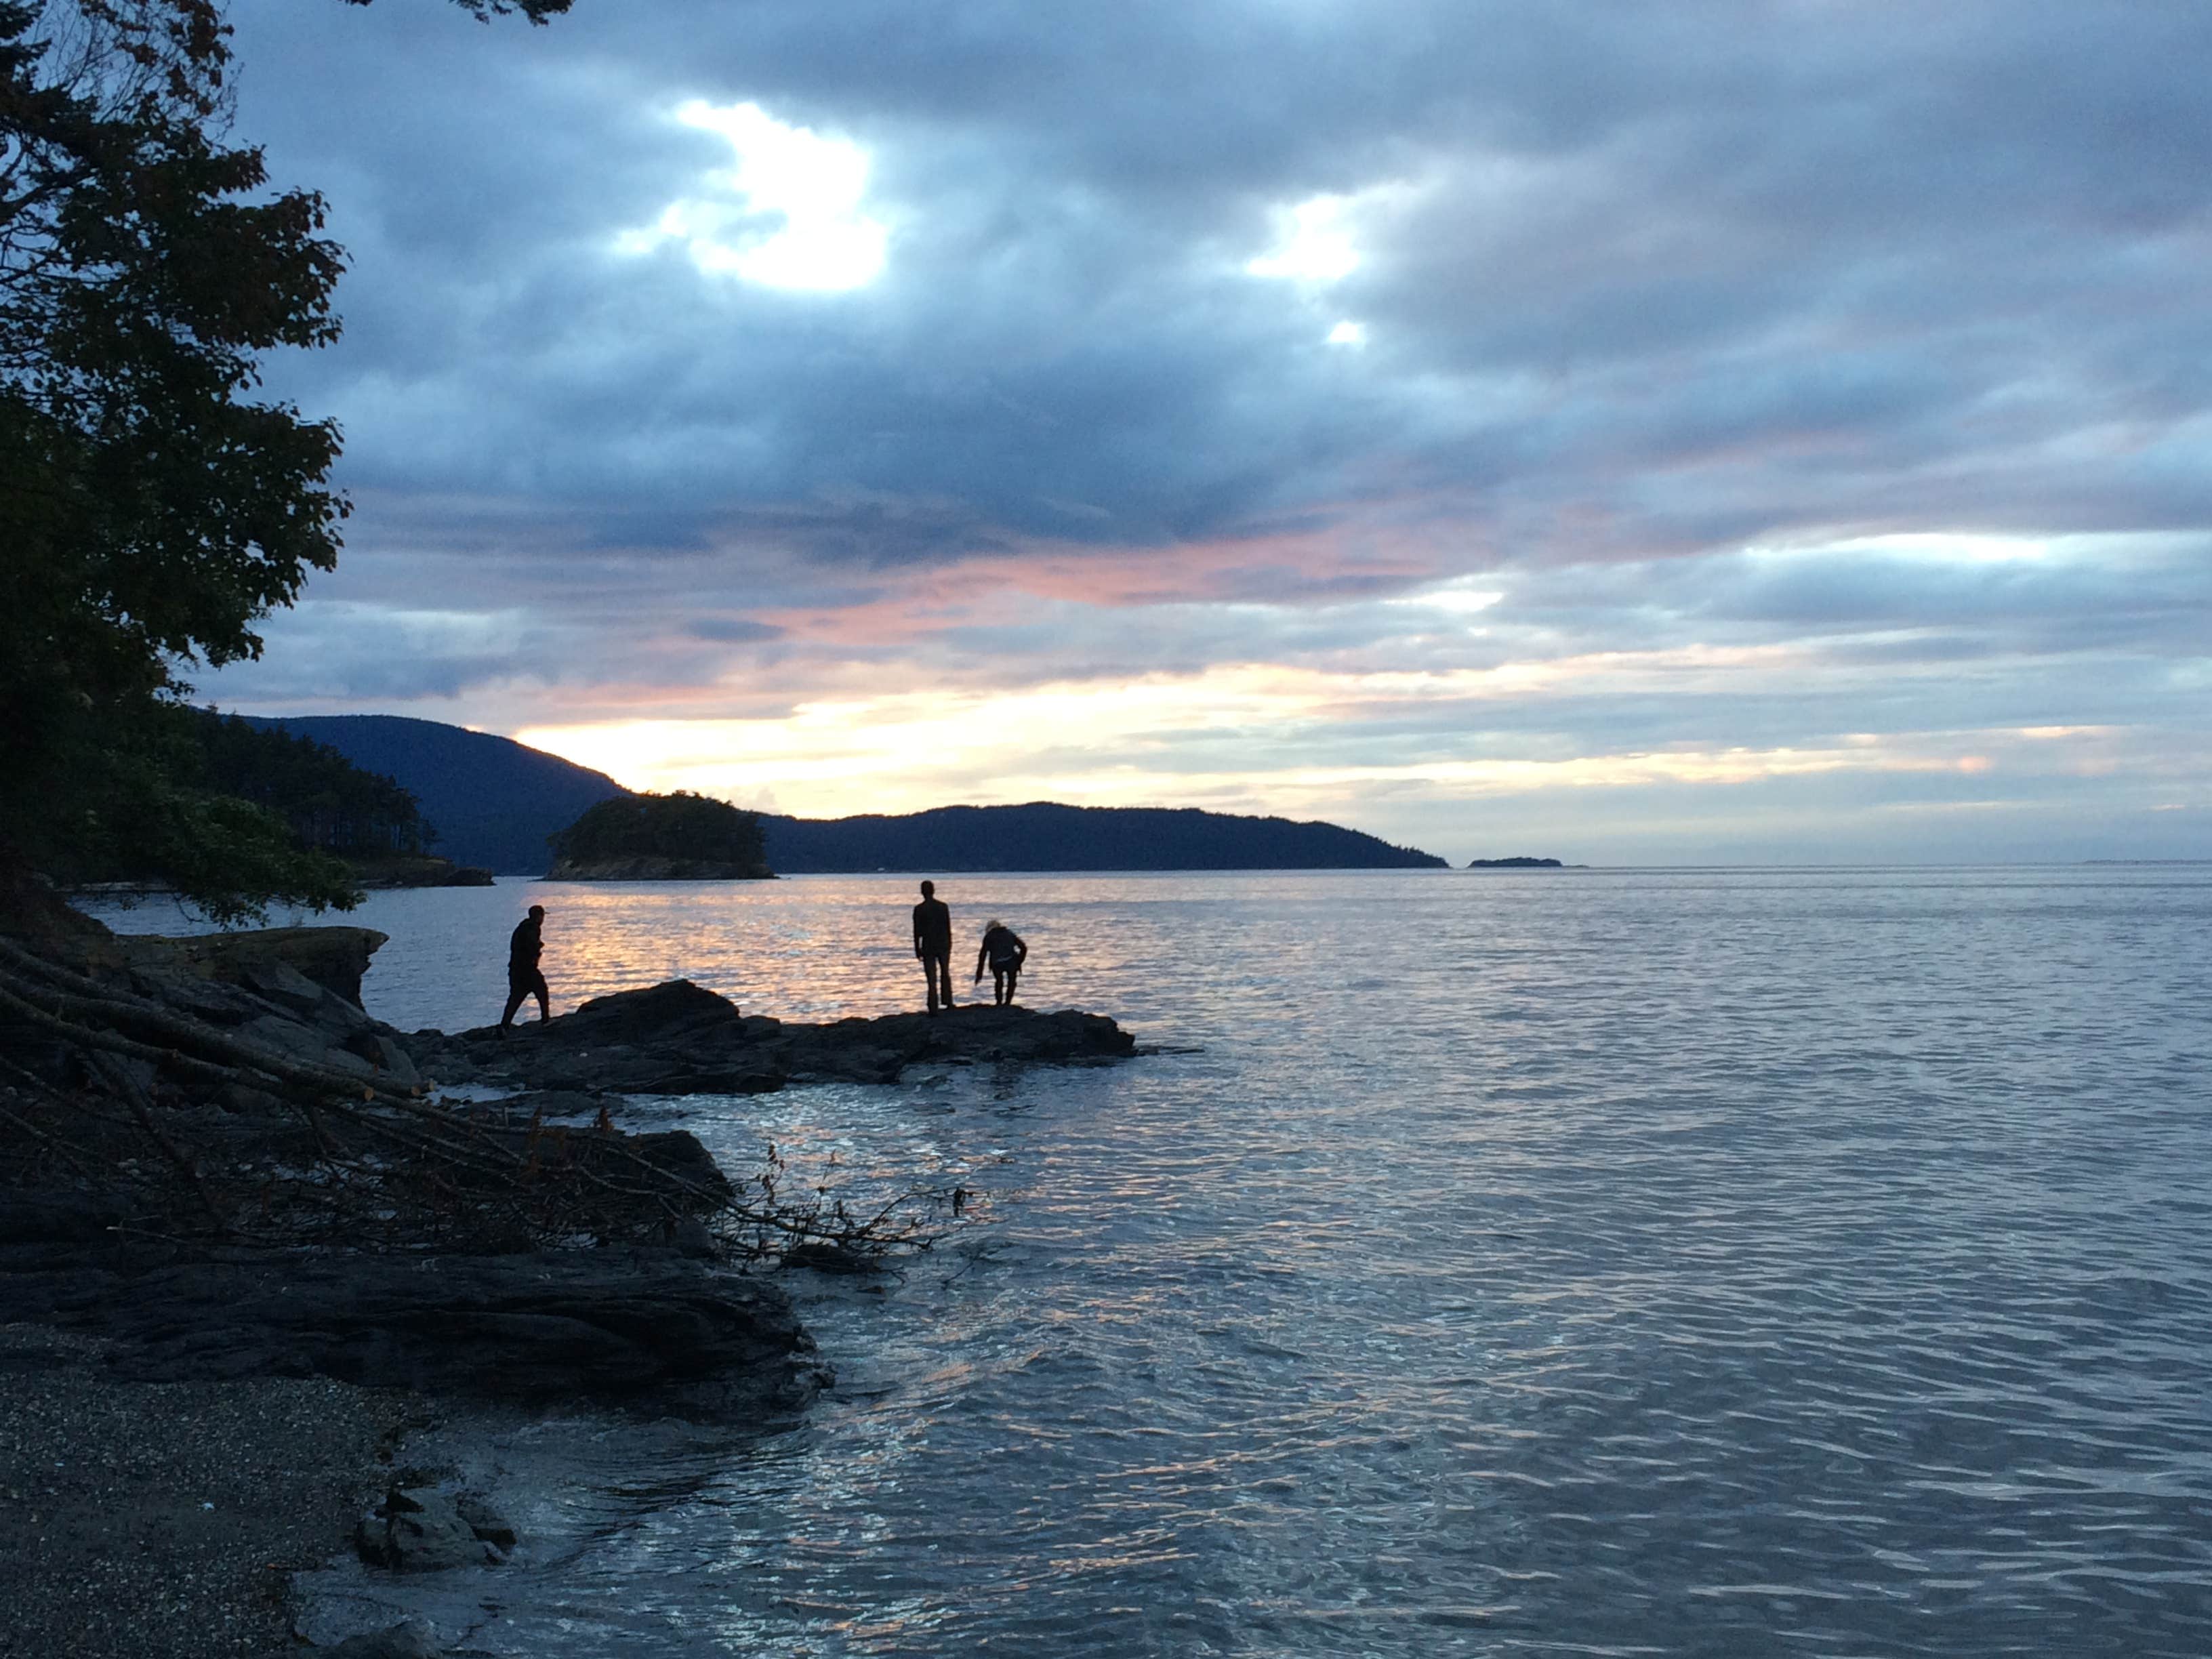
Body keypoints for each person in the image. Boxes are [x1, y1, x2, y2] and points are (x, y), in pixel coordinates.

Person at [499, 904, 549, 1031]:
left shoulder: (521, 927)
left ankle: (504, 1026)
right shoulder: (533, 928)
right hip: (527, 969)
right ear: (538, 917)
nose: (543, 920)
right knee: (542, 991)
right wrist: (537, 949)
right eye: (542, 916)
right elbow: (531, 945)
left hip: (515, 969)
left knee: (515, 999)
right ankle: (545, 1021)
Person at [912, 880, 954, 1012]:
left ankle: (933, 1005)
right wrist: (950, 943)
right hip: (943, 944)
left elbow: (917, 931)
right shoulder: (943, 907)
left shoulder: (919, 909)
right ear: (933, 891)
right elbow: (947, 927)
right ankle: (948, 1001)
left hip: (928, 945)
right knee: (945, 973)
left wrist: (917, 948)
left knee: (931, 977)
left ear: (922, 892)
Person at [974, 918, 1028, 1006]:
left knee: (999, 981)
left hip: (997, 963)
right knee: (1012, 982)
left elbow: (982, 955)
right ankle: (1008, 1002)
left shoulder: (989, 937)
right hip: (1011, 961)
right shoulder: (1009, 933)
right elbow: (1024, 948)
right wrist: (1019, 961)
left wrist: (979, 974)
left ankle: (999, 1002)